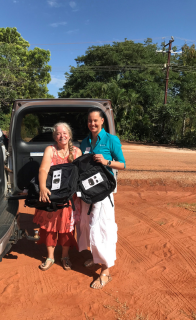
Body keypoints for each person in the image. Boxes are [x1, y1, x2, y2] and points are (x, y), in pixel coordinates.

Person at [77, 107, 126, 289]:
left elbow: (123, 164)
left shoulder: (111, 140)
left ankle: (105, 270)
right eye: (90, 121)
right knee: (89, 225)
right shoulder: (85, 142)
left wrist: (106, 162)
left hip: (104, 192)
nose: (92, 124)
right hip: (88, 191)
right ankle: (96, 257)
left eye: (95, 121)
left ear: (102, 121)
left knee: (103, 227)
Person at [33, 122, 82, 271]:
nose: (62, 136)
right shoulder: (50, 150)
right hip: (53, 196)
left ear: (70, 135)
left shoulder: (77, 152)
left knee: (67, 228)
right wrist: (42, 187)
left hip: (69, 198)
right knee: (50, 227)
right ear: (55, 136)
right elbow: (43, 169)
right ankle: (50, 257)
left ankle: (65, 256)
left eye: (65, 133)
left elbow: (80, 174)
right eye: (59, 133)